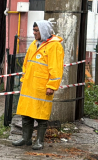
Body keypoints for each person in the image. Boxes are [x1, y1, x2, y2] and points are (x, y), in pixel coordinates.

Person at [13, 20, 64, 150]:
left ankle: (40, 141)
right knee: (26, 114)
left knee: (41, 116)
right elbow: (26, 64)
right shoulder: (34, 44)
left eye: (36, 31)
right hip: (29, 86)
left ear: (43, 31)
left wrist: (52, 86)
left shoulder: (54, 46)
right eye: (34, 30)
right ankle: (26, 139)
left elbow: (56, 69)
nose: (34, 33)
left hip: (42, 87)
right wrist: (24, 78)